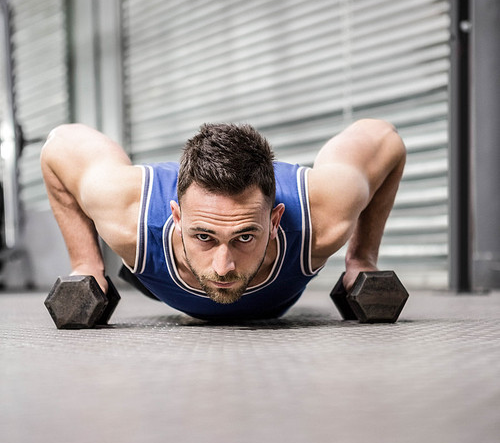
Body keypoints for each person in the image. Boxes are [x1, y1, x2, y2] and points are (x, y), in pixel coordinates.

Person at [40, 119, 406, 320]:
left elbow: (385, 138)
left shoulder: (322, 216)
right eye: (204, 237)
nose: (224, 266)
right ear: (177, 217)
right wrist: (86, 264)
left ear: (277, 219)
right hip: (157, 279)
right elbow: (59, 144)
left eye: (245, 237)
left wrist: (361, 260)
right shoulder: (129, 216)